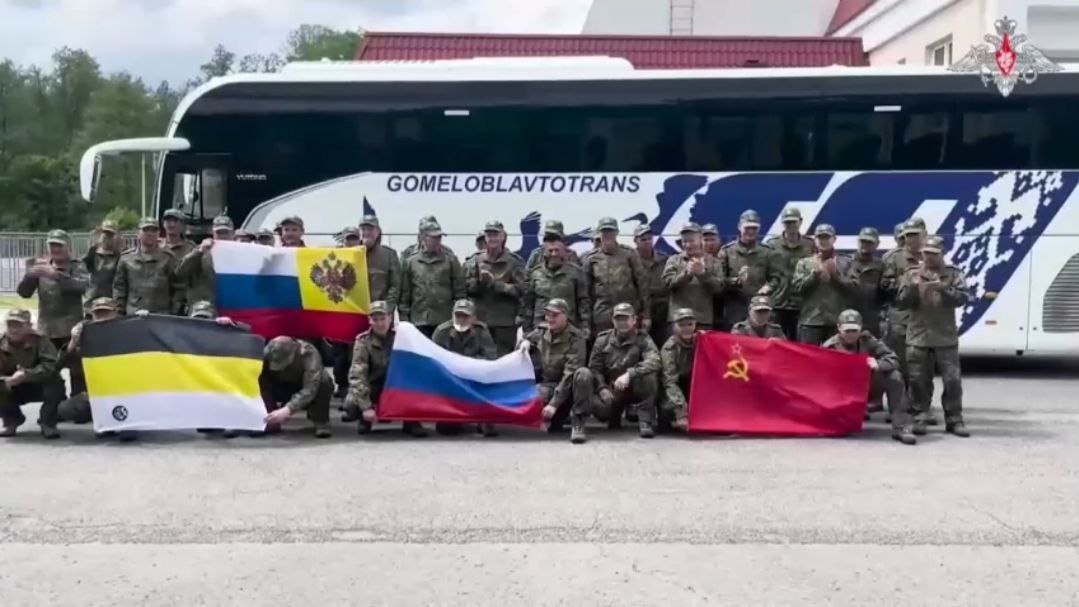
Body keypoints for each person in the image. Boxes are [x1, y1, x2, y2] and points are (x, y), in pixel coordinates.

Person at [897, 235, 970, 438]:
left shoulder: (953, 274)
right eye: (926, 253)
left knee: (952, 380)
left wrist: (944, 289)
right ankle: (920, 416)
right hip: (918, 335)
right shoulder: (912, 273)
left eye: (933, 254)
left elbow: (963, 298)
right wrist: (912, 289)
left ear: (942, 254)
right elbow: (901, 302)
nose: (929, 257)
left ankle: (954, 419)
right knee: (918, 380)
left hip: (945, 336)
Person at [822, 310, 917, 445]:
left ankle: (901, 427)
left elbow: (893, 359)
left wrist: (878, 364)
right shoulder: (829, 347)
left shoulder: (868, 341)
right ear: (839, 328)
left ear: (861, 328)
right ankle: (836, 421)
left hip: (867, 387)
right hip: (842, 391)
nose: (851, 334)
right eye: (847, 330)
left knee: (894, 376)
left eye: (854, 330)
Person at [346, 301, 427, 438]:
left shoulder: (402, 337)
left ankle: (411, 420)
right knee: (351, 402)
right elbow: (357, 374)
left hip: (398, 385)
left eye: (383, 318)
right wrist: (366, 407)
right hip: (374, 386)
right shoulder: (362, 341)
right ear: (369, 320)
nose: (379, 323)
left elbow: (415, 367)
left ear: (390, 318)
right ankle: (365, 420)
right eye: (375, 319)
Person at [584, 303, 661, 438]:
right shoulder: (602, 340)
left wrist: (630, 374)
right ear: (612, 320)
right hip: (613, 387)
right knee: (602, 411)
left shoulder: (643, 338)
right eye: (618, 319)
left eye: (626, 318)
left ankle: (645, 421)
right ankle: (614, 415)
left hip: (636, 385)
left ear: (634, 320)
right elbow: (594, 368)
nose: (622, 322)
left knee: (649, 377)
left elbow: (654, 360)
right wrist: (602, 388)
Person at [519, 298, 590, 443]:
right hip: (549, 384)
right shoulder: (542, 331)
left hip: (570, 388)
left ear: (565, 316)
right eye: (547, 314)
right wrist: (525, 342)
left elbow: (570, 373)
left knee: (583, 374)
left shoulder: (576, 338)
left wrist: (553, 404)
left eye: (554, 315)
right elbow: (528, 339)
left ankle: (578, 422)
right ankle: (558, 418)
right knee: (529, 398)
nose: (549, 318)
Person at [18, 229, 89, 358]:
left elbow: (82, 287)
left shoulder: (77, 266)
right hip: (47, 330)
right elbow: (24, 293)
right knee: (48, 367)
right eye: (52, 245)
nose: (55, 249)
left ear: (68, 247)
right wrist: (29, 275)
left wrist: (56, 275)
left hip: (70, 330)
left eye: (59, 245)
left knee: (73, 367)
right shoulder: (42, 265)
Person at [432, 299, 498, 437]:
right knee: (446, 430)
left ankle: (484, 418)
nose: (461, 319)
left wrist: (466, 364)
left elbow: (491, 357)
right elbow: (433, 360)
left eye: (465, 316)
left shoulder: (482, 331)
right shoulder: (441, 331)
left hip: (474, 376)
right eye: (458, 315)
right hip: (450, 379)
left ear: (473, 318)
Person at [880, 219, 928, 407]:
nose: (911, 239)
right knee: (900, 363)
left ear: (924, 234)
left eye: (915, 234)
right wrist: (907, 281)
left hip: (926, 318)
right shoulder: (893, 258)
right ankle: (900, 403)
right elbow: (884, 286)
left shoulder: (932, 254)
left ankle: (921, 405)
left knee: (923, 365)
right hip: (901, 317)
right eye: (908, 235)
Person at [56, 297, 121, 431]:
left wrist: (143, 321)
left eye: (106, 313)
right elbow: (58, 365)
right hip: (92, 391)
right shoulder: (84, 332)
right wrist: (73, 341)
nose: (102, 318)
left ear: (115, 313)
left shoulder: (126, 330)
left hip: (121, 390)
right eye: (99, 314)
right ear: (92, 315)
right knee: (66, 410)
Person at [0, 308, 64, 438]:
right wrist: (7, 380)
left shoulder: (40, 340)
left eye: (19, 325)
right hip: (12, 385)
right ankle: (11, 421)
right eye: (10, 325)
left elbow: (51, 366)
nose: (14, 329)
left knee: (55, 383)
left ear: (29, 326)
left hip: (38, 384)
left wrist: (27, 375)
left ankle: (48, 423)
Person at [466, 220, 526, 356]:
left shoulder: (514, 262)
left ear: (503, 237)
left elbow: (522, 291)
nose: (492, 239)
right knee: (479, 359)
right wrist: (480, 283)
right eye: (489, 235)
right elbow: (466, 288)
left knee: (503, 360)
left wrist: (495, 284)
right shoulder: (475, 261)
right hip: (480, 321)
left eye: (495, 235)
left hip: (504, 323)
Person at [581, 217, 650, 336]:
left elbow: (642, 285)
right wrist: (585, 323)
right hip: (602, 317)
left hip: (627, 314)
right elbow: (585, 293)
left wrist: (646, 315)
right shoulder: (591, 258)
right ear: (599, 233)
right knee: (603, 346)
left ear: (617, 233)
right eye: (604, 231)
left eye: (610, 231)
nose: (607, 235)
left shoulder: (629, 254)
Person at [399, 221, 466, 339]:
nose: (437, 241)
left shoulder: (450, 260)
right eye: (433, 238)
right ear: (423, 238)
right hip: (419, 320)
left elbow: (460, 292)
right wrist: (404, 319)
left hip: (444, 321)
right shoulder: (411, 262)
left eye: (439, 237)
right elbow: (405, 295)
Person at [791, 224, 855, 346]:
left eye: (827, 237)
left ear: (834, 239)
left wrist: (835, 277)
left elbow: (854, 290)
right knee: (809, 356)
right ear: (815, 240)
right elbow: (796, 290)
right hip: (810, 320)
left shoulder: (846, 262)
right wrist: (814, 275)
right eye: (820, 237)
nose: (823, 241)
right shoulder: (804, 263)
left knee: (835, 356)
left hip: (837, 321)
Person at [717, 210, 781, 330]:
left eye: (754, 228)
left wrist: (769, 287)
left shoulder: (767, 251)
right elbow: (719, 281)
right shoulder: (727, 251)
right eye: (747, 228)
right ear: (739, 227)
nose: (751, 231)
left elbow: (776, 278)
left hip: (761, 309)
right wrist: (736, 281)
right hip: (735, 309)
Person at [261, 336, 333, 438]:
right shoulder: (266, 352)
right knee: (259, 380)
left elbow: (311, 387)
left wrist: (288, 409)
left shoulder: (308, 353)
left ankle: (321, 420)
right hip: (280, 386)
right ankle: (267, 418)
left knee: (324, 380)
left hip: (301, 386)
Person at [519, 239, 591, 338]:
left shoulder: (576, 272)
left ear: (564, 252)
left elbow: (583, 301)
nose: (554, 254)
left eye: (557, 250)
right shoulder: (535, 273)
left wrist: (585, 326)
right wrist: (527, 329)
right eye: (550, 250)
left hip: (568, 329)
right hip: (540, 328)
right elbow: (528, 303)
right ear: (544, 253)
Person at [113, 218, 184, 316]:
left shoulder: (168, 258)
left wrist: (174, 311)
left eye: (154, 230)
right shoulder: (126, 258)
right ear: (138, 233)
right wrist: (119, 312)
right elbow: (119, 288)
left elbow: (178, 286)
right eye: (145, 230)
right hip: (133, 314)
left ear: (158, 234)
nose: (150, 234)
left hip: (161, 315)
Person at [764, 208, 815, 341]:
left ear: (800, 221)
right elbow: (765, 272)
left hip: (802, 305)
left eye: (793, 222)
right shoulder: (772, 245)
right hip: (777, 304)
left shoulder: (810, 245)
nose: (791, 225)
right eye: (787, 222)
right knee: (776, 343)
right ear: (782, 223)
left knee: (798, 345)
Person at [662, 222, 722, 330]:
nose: (688, 245)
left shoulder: (713, 262)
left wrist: (702, 274)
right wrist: (687, 274)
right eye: (685, 241)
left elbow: (719, 289)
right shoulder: (674, 260)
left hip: (702, 321)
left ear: (700, 240)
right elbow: (667, 285)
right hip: (678, 320)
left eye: (691, 241)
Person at [178, 215, 234, 308]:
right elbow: (181, 272)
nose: (223, 236)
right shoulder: (201, 252)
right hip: (205, 308)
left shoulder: (241, 254)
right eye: (219, 232)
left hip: (231, 307)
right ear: (213, 233)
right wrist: (200, 251)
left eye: (226, 232)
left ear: (232, 233)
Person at [660, 307, 700, 432]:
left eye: (690, 324)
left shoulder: (703, 341)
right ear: (674, 327)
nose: (686, 328)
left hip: (696, 385)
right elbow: (670, 381)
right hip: (676, 387)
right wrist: (681, 412)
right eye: (681, 325)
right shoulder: (670, 348)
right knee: (667, 406)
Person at [634, 224, 670, 348]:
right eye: (643, 239)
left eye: (649, 238)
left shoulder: (664, 259)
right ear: (635, 241)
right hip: (638, 314)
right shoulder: (630, 260)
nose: (647, 242)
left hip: (661, 313)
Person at [848, 227, 886, 338]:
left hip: (871, 319)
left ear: (877, 244)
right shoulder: (846, 262)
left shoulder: (881, 265)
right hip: (848, 317)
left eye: (869, 242)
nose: (865, 245)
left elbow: (885, 292)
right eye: (862, 241)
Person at [83, 219, 123, 301]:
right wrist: (93, 246)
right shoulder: (92, 254)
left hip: (111, 299)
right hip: (93, 298)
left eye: (110, 235)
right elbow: (84, 268)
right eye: (104, 233)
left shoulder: (119, 257)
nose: (106, 237)